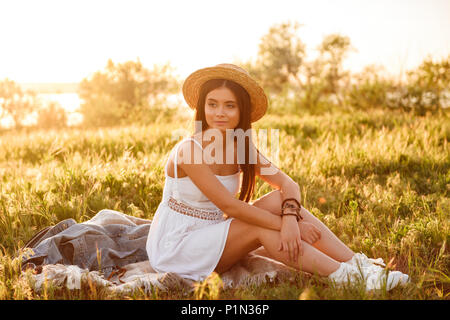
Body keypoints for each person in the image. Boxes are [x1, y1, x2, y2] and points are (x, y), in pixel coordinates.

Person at [146, 63, 409, 291]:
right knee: (262, 226)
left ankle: (357, 264)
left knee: (278, 200)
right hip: (177, 247)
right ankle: (348, 278)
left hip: (212, 235)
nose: (219, 113)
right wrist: (283, 224)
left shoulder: (240, 146)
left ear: (241, 111)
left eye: (229, 105)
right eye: (212, 104)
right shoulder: (189, 150)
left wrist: (291, 218)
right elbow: (229, 206)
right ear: (202, 107)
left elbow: (287, 184)